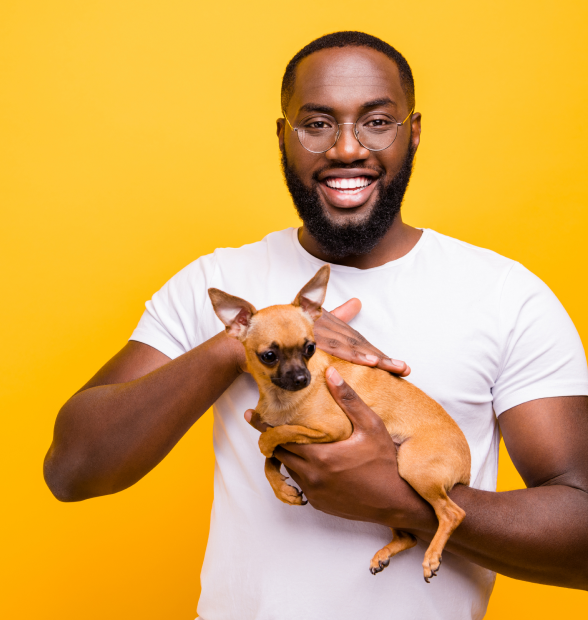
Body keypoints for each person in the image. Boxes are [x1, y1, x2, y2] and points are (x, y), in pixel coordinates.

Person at [44, 31, 588, 620]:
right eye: (317, 124)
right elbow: (74, 469)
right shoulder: (220, 280)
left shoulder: (507, 296)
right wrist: (246, 346)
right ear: (283, 135)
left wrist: (400, 498)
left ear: (414, 131)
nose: (347, 149)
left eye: (378, 122)